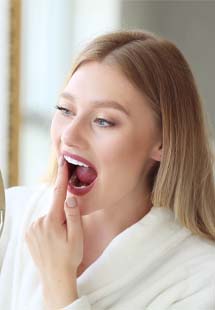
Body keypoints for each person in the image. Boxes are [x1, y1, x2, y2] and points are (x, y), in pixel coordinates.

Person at [0, 30, 215, 310]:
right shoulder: (11, 217)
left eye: (103, 121)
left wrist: (58, 281)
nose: (70, 135)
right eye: (65, 110)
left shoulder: (201, 280)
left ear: (163, 142)